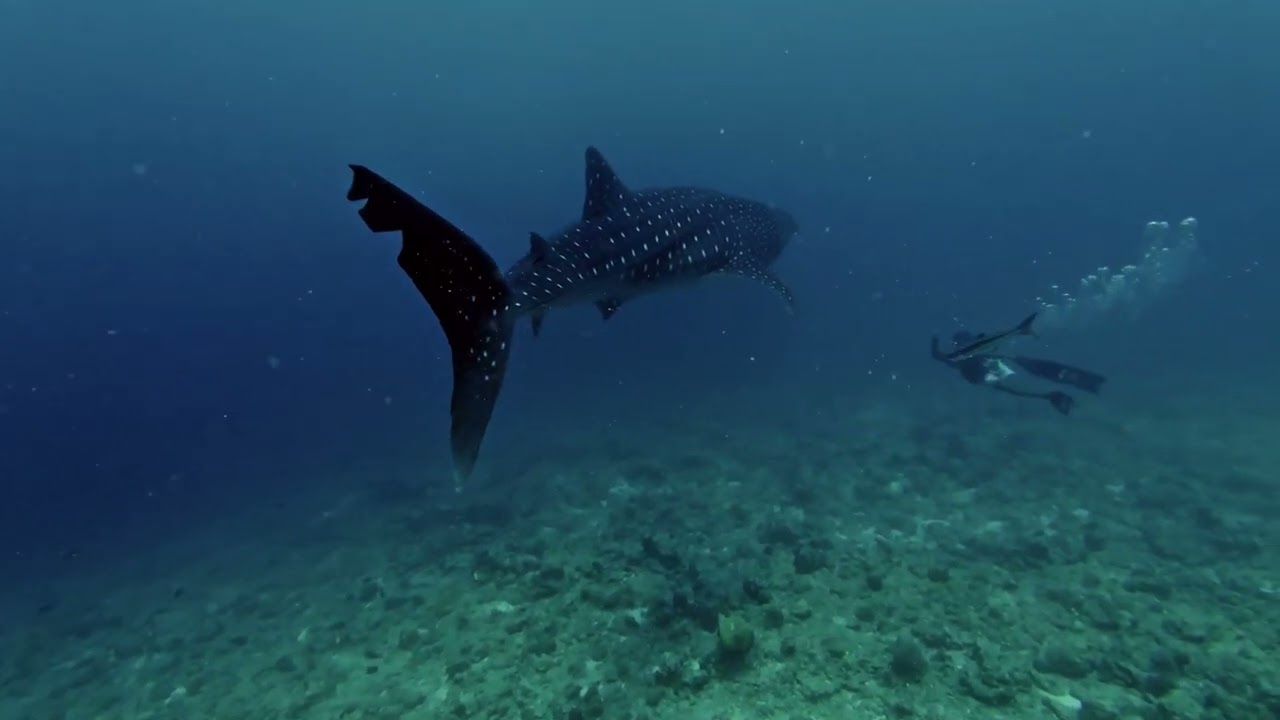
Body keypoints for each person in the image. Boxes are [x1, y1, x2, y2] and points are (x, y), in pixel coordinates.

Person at [930, 329, 1106, 415]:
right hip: (996, 371)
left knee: (1024, 382)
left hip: (995, 372)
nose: (961, 346)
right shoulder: (963, 355)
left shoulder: (958, 357)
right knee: (1027, 377)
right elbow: (940, 356)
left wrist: (935, 341)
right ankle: (1065, 390)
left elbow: (939, 356)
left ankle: (1060, 393)